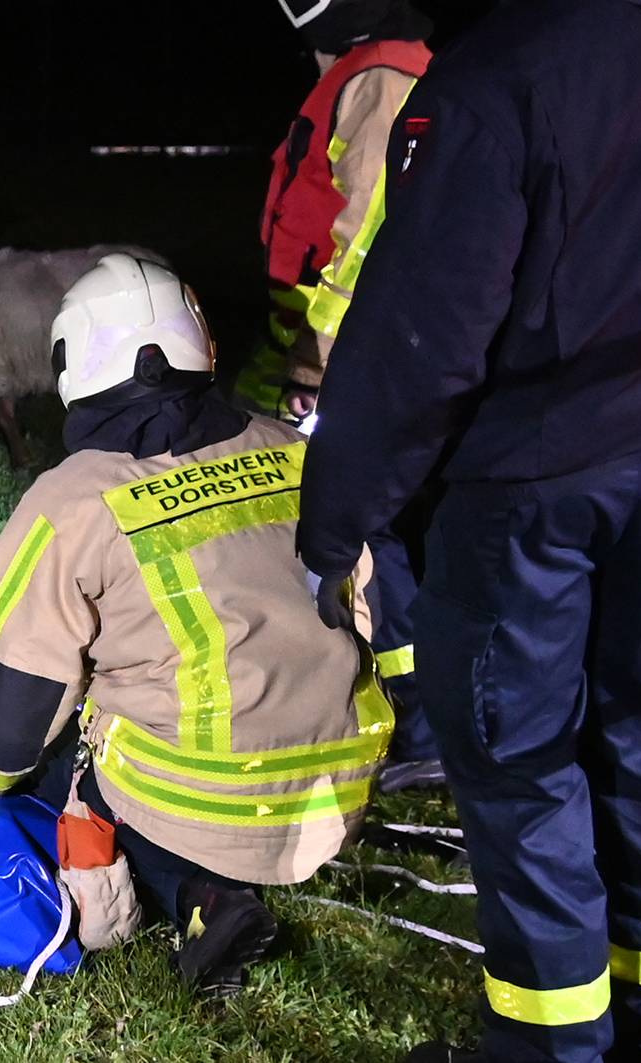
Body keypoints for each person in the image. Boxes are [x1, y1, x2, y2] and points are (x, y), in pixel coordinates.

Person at [296, 1, 641, 1059]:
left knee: (523, 774)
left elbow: (421, 339)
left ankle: (550, 1044)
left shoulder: (497, 77)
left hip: (532, 491)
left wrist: (336, 518)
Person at [0, 254, 392, 998]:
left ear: (73, 362)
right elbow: (368, 603)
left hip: (206, 803)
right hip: (338, 785)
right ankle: (217, 887)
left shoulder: (73, 502)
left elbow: (19, 698)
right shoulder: (292, 449)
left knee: (63, 743)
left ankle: (202, 896)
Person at [237, 0, 442, 792]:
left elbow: (365, 241)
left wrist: (313, 365)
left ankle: (419, 724)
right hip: (329, 347)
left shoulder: (383, 81)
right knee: (335, 522)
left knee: (371, 530)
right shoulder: (361, 72)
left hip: (361, 357)